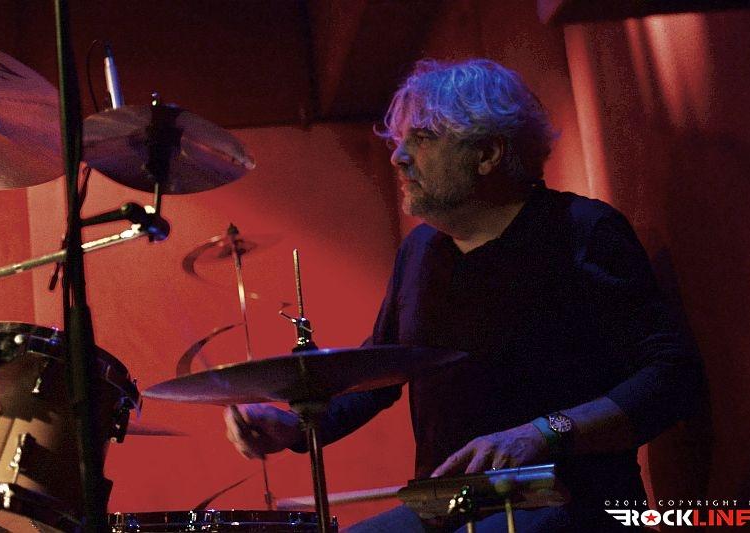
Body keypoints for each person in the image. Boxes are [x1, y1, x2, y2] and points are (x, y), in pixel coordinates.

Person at [224, 58, 698, 532]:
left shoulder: (582, 231)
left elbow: (670, 378)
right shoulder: (420, 251)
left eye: (422, 138)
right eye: (400, 140)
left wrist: (546, 432)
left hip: (568, 500)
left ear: (487, 153)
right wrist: (296, 426)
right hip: (450, 504)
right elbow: (380, 376)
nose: (398, 157)